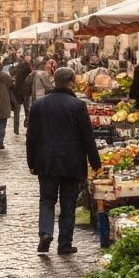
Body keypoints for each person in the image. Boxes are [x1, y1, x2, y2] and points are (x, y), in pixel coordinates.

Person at [26, 67, 101, 255]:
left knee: (47, 200)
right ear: (71, 82)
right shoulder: (77, 106)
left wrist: (31, 161)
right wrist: (96, 163)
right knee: (68, 203)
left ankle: (45, 232)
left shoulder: (39, 105)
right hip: (72, 162)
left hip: (46, 161)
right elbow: (87, 138)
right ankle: (65, 244)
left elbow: (31, 137)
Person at [11, 55, 33, 134]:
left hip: (19, 91)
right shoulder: (29, 68)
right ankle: (26, 127)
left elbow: (11, 72)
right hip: (23, 91)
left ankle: (17, 130)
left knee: (19, 111)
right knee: (26, 110)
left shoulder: (20, 66)